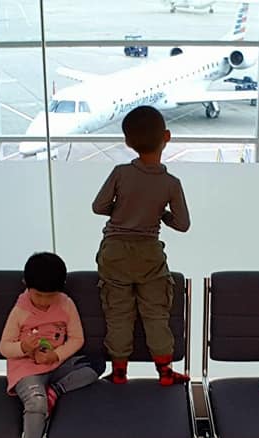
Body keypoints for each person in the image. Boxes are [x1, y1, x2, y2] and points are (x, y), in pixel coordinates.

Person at [91, 105, 191, 386]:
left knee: (118, 314)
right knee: (156, 313)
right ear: (167, 137)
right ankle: (165, 372)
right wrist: (160, 214)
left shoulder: (120, 173)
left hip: (114, 252)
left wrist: (121, 210)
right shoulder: (171, 183)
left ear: (127, 142)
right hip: (149, 254)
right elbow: (183, 224)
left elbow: (98, 206)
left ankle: (119, 372)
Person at [0, 252, 99, 438]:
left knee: (95, 364)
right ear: (26, 285)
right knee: (36, 402)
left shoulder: (65, 304)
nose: (43, 301)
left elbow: (77, 339)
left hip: (56, 365)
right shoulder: (20, 310)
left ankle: (56, 391)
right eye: (38, 295)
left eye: (49, 296)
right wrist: (24, 347)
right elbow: (4, 347)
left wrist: (56, 355)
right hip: (27, 369)